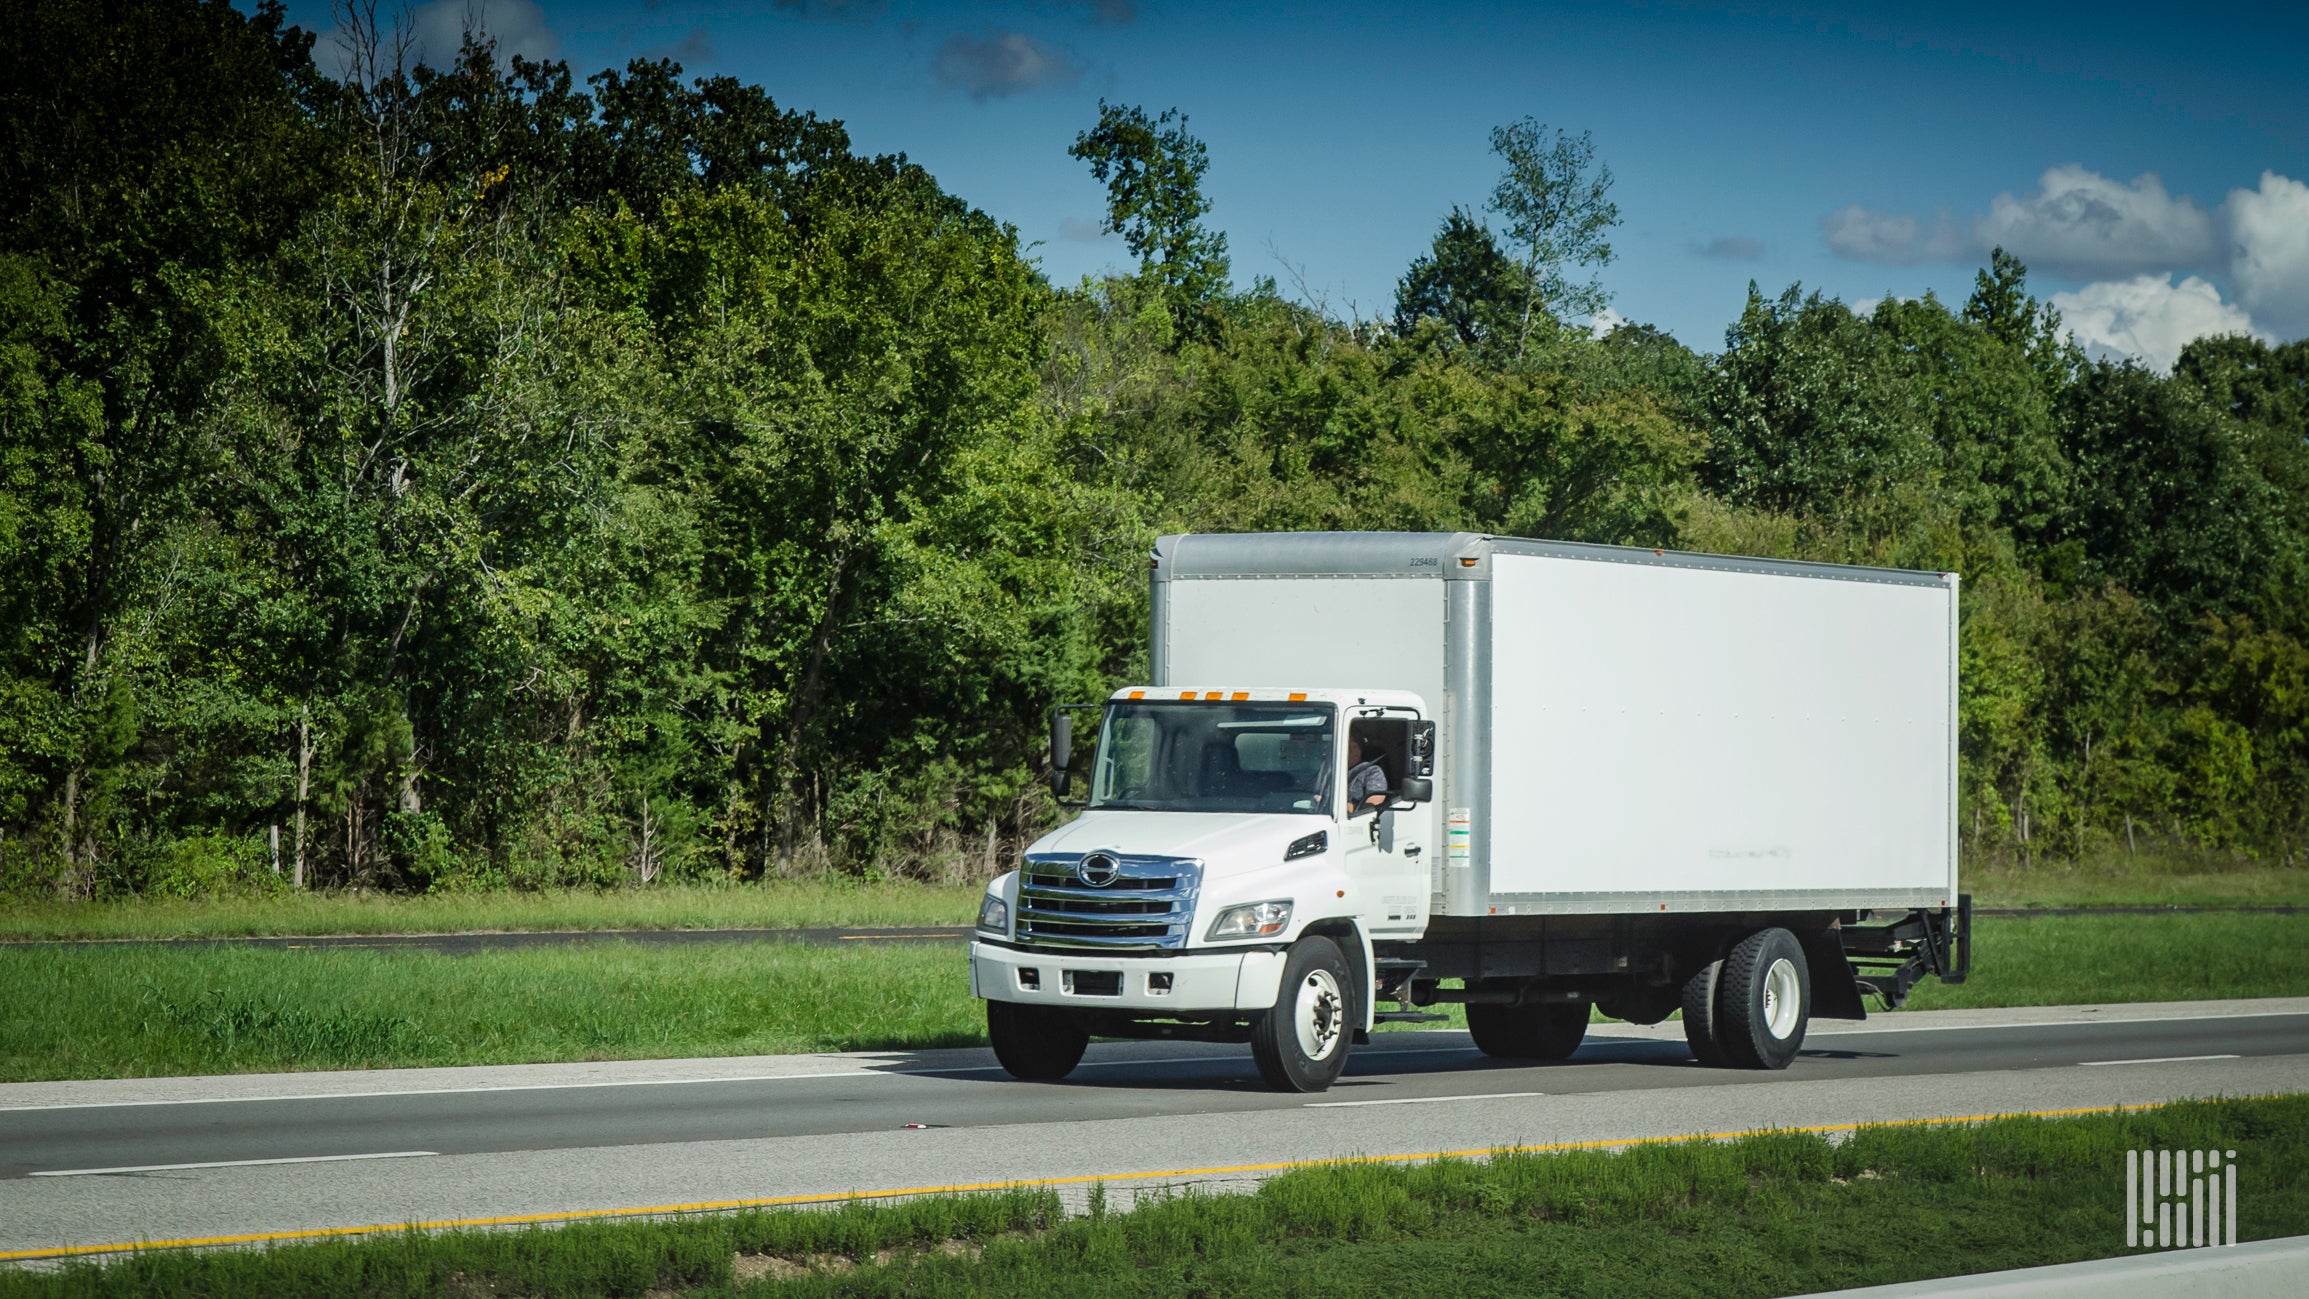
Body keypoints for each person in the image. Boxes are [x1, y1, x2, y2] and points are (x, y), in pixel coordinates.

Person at [1346, 736, 1390, 812]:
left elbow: (1373, 806)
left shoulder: (1372, 772)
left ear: (1354, 747)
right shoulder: (1330, 771)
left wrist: (1345, 807)